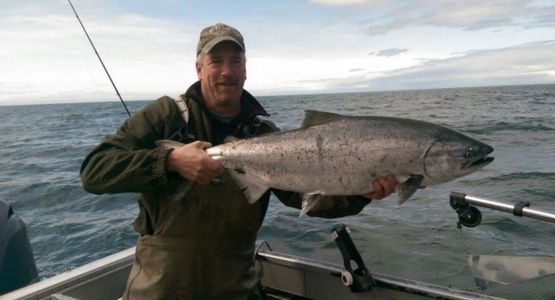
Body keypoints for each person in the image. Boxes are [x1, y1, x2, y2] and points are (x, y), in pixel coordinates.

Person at [80, 23, 398, 300]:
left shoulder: (264, 132)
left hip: (237, 287)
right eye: (216, 61)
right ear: (199, 68)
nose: (226, 71)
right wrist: (169, 161)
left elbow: (305, 200)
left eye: (235, 61)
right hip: (161, 288)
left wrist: (360, 193)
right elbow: (94, 171)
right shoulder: (167, 115)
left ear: (245, 69)